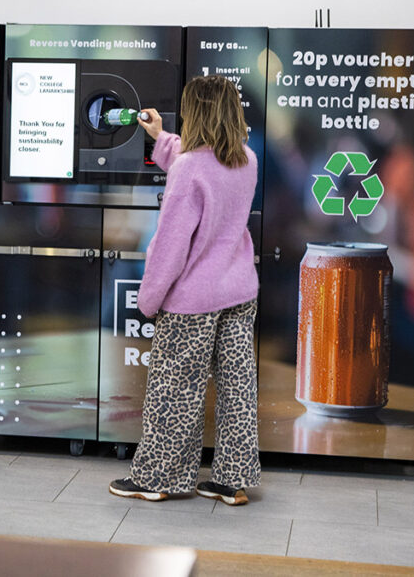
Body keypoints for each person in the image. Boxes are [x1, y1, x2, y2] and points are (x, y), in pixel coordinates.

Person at [109, 75, 261, 506]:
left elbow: (169, 246)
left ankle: (159, 478)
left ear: (196, 113)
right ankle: (232, 482)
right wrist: (161, 137)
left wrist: (149, 299)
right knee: (238, 390)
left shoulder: (188, 171)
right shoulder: (246, 161)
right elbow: (204, 163)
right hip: (239, 294)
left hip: (193, 301)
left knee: (175, 391)